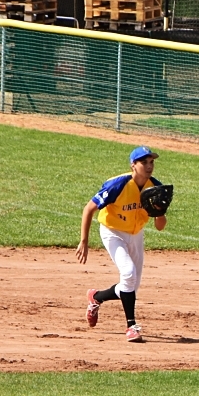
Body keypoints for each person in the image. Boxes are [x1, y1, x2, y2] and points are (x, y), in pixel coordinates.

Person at [79, 146, 168, 343]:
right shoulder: (117, 185)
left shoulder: (155, 188)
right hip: (113, 232)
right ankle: (131, 326)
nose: (149, 166)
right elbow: (89, 209)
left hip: (136, 234)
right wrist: (84, 241)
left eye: (151, 162)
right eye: (143, 162)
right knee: (128, 273)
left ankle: (96, 297)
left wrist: (160, 211)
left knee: (130, 287)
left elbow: (160, 226)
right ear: (133, 165)